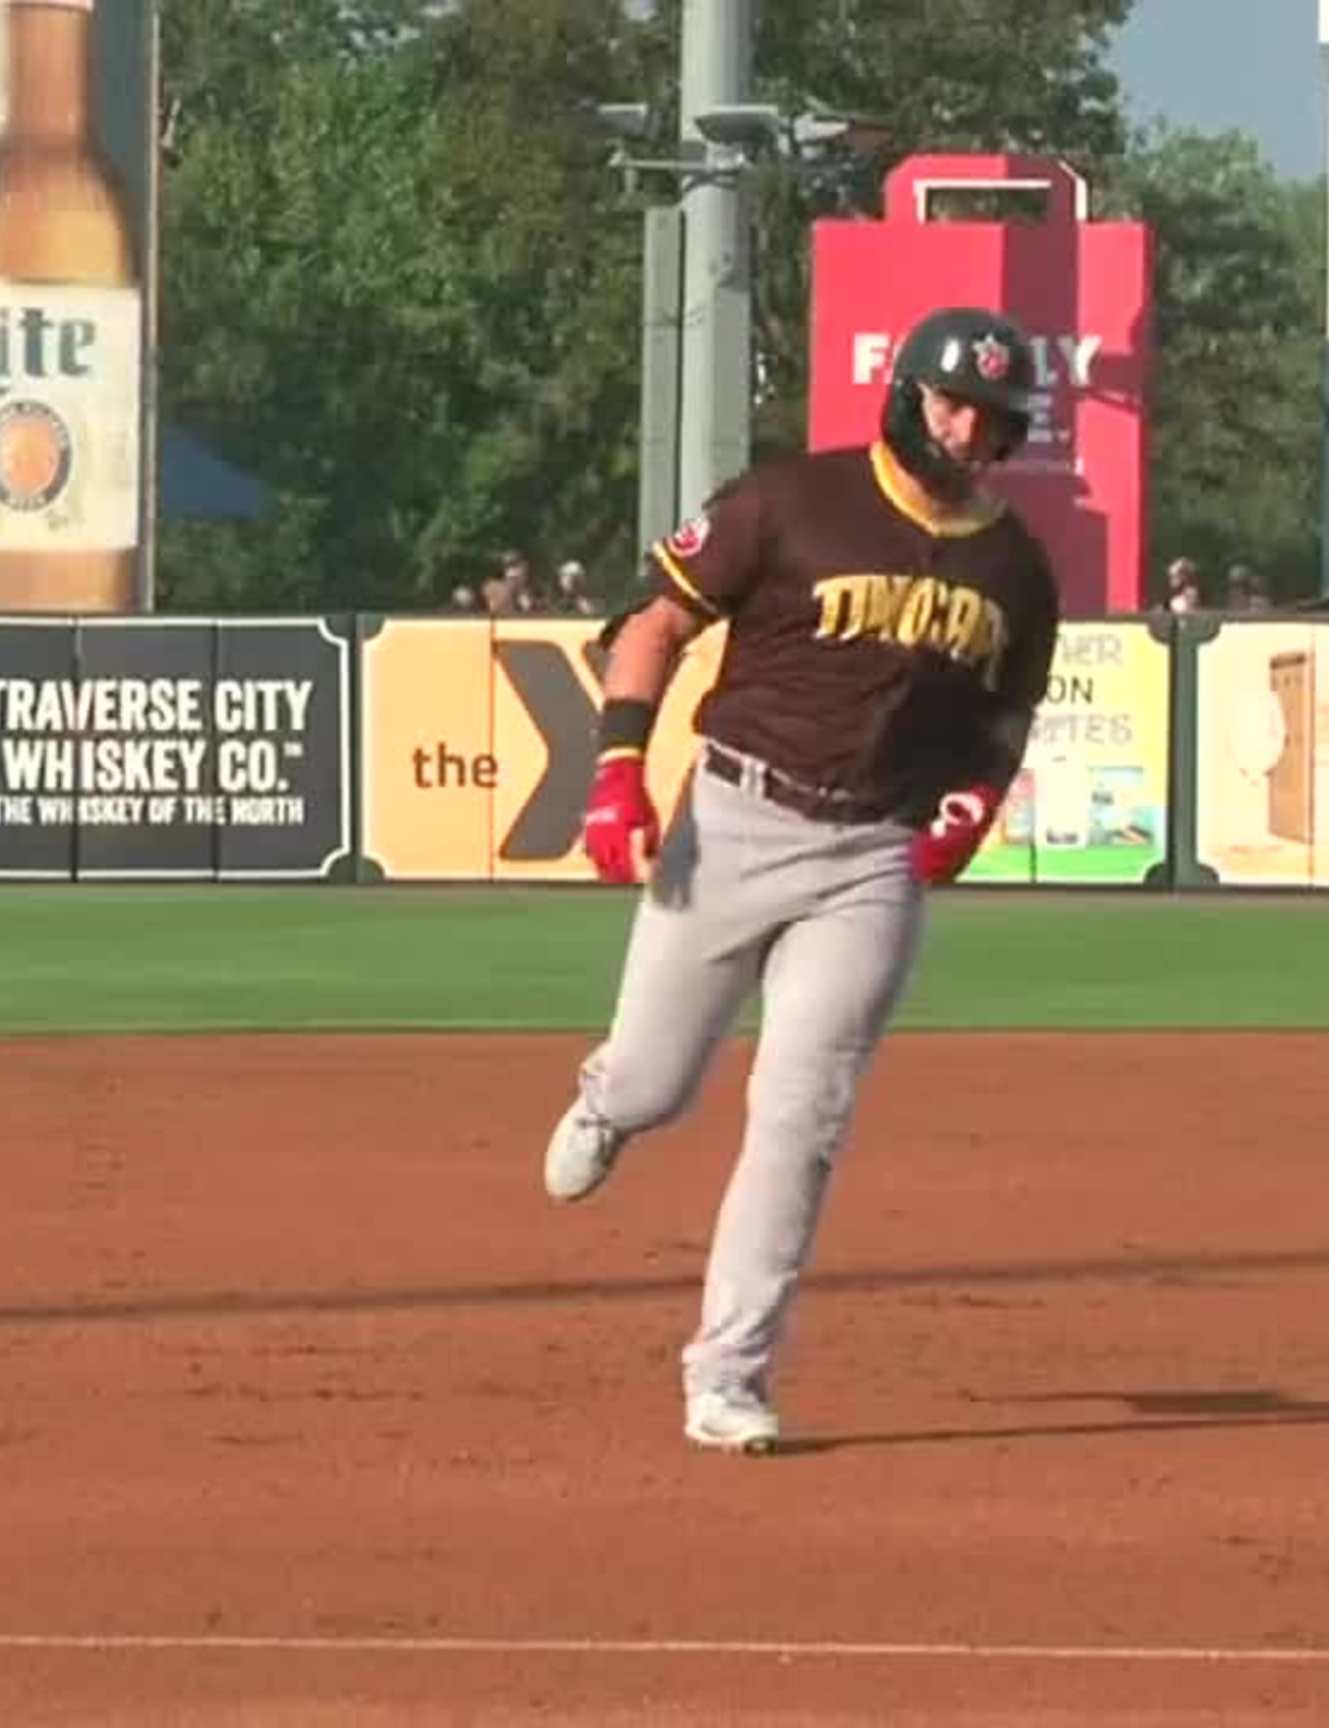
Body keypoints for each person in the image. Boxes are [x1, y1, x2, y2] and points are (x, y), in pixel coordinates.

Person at [539, 306, 1064, 1455]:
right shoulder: (792, 499)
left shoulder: (1016, 569)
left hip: (871, 857)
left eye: (991, 412)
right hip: (732, 818)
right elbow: (657, 622)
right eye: (951, 401)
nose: (969, 427)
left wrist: (976, 797)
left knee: (801, 1116)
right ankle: (606, 1098)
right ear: (908, 395)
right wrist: (619, 766)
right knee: (655, 1082)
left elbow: (1005, 718)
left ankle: (727, 1373)